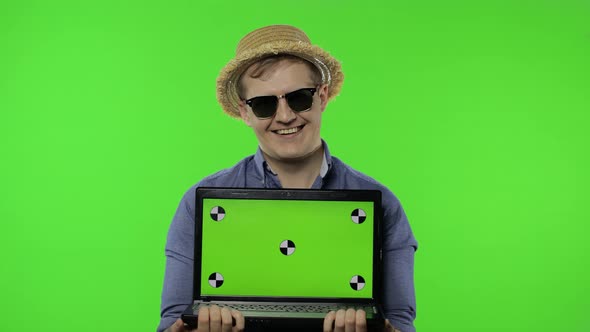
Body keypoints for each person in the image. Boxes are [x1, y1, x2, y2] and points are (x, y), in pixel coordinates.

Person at [158, 25, 418, 332]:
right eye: (264, 104)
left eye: (298, 98)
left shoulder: (381, 203)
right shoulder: (198, 204)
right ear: (245, 112)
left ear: (322, 96)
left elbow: (401, 322)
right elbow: (169, 323)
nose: (284, 116)